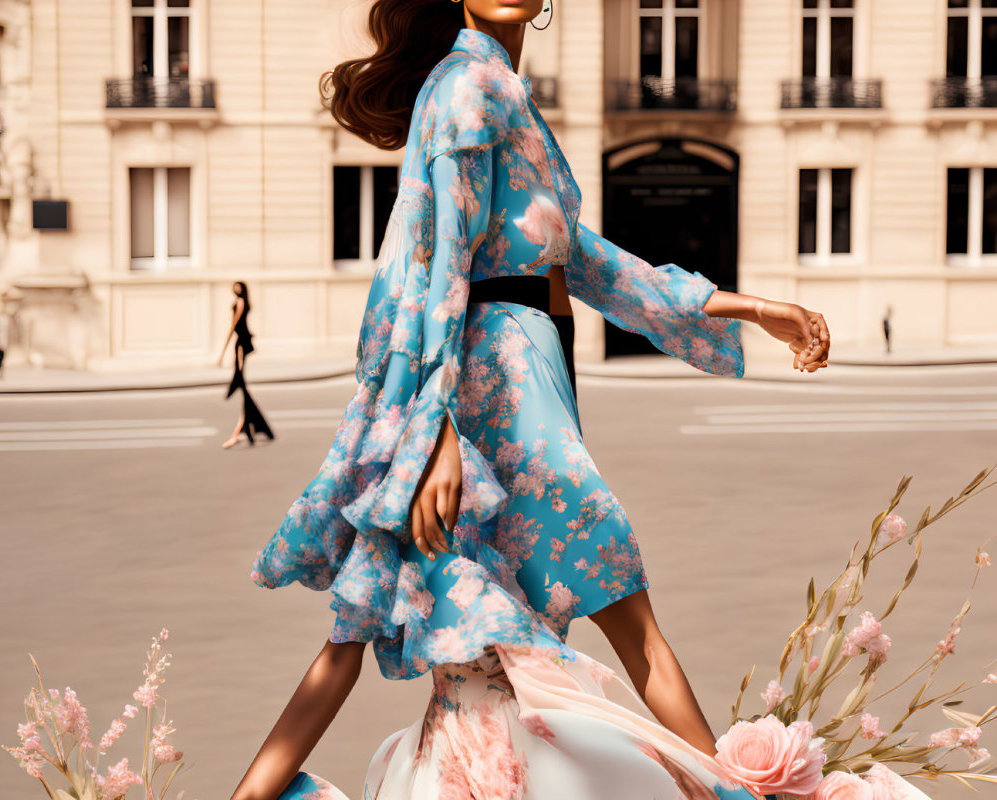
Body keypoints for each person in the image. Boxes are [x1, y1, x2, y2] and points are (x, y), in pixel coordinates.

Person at [233, 3, 831, 799]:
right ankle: (726, 790)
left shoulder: (501, 88)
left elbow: (584, 258)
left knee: (545, 598)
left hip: (532, 373)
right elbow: (435, 260)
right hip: (495, 380)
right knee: (609, 596)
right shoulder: (465, 82)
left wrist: (749, 307)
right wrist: (436, 427)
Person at [218, 281, 274, 448]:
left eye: (238, 287)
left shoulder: (240, 303)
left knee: (243, 389)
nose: (235, 290)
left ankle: (240, 432)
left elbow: (235, 325)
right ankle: (248, 430)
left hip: (241, 344)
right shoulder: (243, 302)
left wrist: (224, 350)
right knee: (244, 394)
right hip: (241, 343)